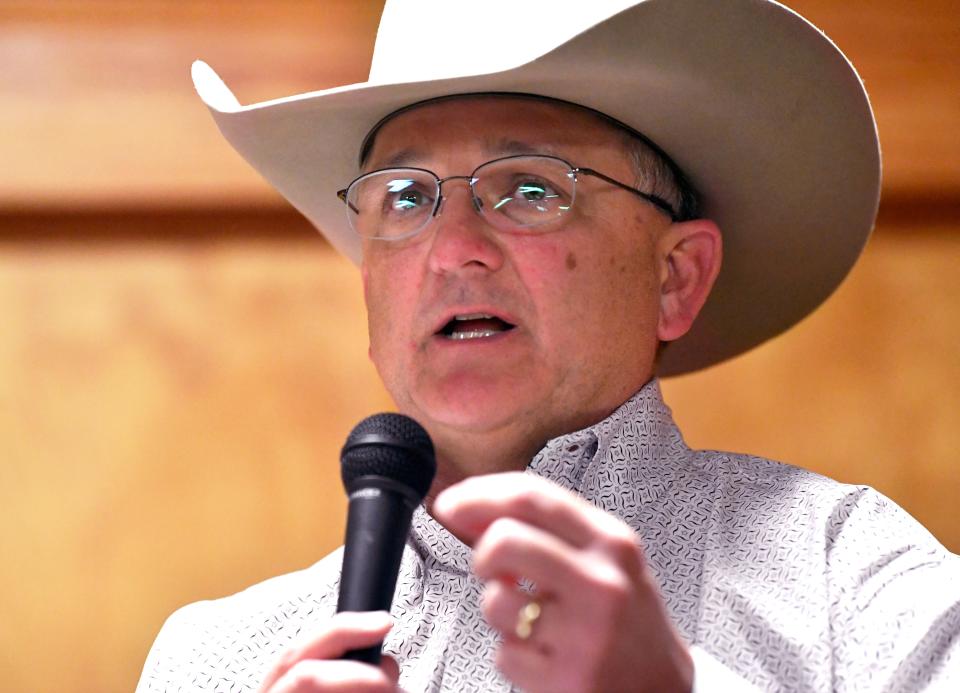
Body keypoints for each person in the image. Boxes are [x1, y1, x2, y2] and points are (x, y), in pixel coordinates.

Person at [138, 1, 959, 691]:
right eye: (403, 197)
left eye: (530, 188)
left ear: (675, 276)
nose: (451, 247)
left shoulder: (848, 576)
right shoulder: (213, 663)